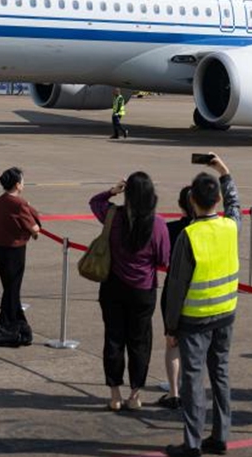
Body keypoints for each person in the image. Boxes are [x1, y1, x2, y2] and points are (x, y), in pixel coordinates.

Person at [163, 154, 240, 457]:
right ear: (217, 199)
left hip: (195, 319)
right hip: (225, 316)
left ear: (192, 200)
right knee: (220, 373)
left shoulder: (189, 235)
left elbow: (176, 287)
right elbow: (234, 203)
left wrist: (171, 327)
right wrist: (224, 170)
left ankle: (192, 443)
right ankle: (221, 436)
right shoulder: (231, 226)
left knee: (192, 380)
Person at [89, 172, 171, 411]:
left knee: (113, 338)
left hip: (113, 285)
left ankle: (114, 394)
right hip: (143, 289)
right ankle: (135, 394)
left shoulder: (113, 216)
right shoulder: (157, 224)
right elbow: (163, 259)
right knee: (140, 341)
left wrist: (112, 191)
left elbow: (95, 203)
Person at [0, 167, 41, 337]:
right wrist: (30, 209)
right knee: (12, 286)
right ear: (18, 185)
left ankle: (16, 317)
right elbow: (34, 227)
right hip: (14, 249)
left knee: (9, 285)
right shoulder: (20, 204)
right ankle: (7, 320)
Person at [157, 186, 194, 411]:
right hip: (203, 293)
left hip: (174, 293)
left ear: (181, 205)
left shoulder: (170, 229)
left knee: (173, 342)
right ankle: (191, 390)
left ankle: (174, 392)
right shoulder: (212, 229)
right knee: (197, 346)